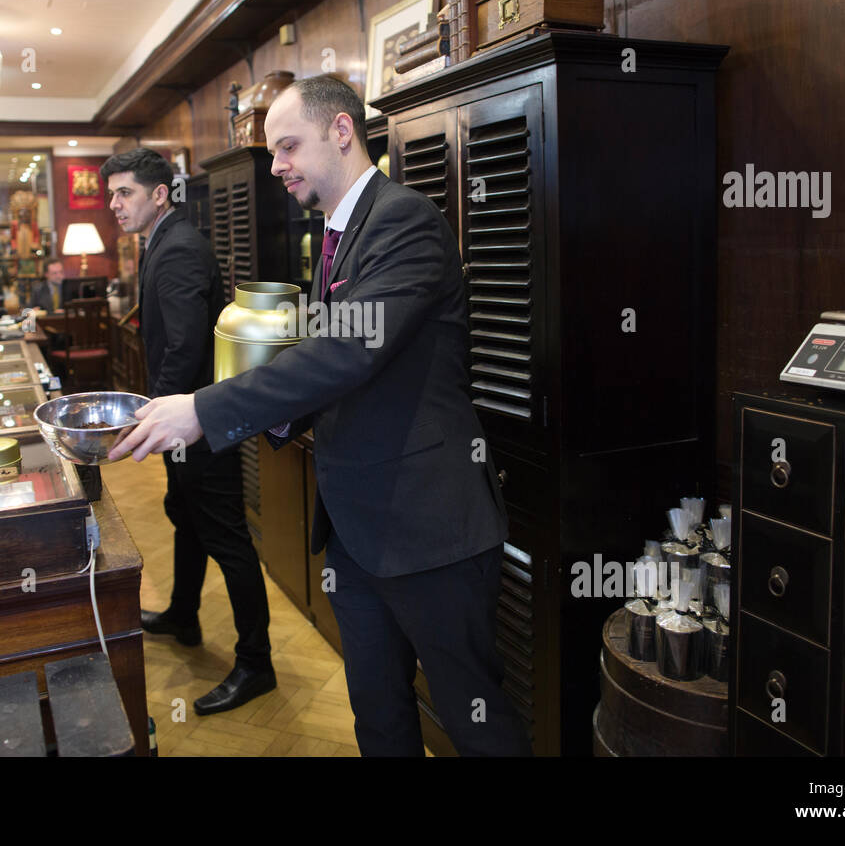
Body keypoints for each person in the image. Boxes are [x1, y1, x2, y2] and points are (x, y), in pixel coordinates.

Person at [112, 75, 532, 755]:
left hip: (430, 529)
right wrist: (274, 417)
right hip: (356, 531)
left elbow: (346, 355)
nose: (275, 165)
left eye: (286, 147)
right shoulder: (336, 234)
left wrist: (205, 408)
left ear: (341, 131)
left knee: (474, 717)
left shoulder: (405, 220)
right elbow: (332, 368)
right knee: (377, 711)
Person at [102, 147, 275, 715]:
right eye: (111, 194)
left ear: (158, 194)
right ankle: (183, 613)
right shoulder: (167, 239)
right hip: (189, 420)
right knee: (186, 519)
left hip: (199, 424)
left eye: (124, 193)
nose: (113, 204)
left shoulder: (176, 248)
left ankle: (257, 663)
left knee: (226, 537)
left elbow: (182, 349)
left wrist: (159, 422)